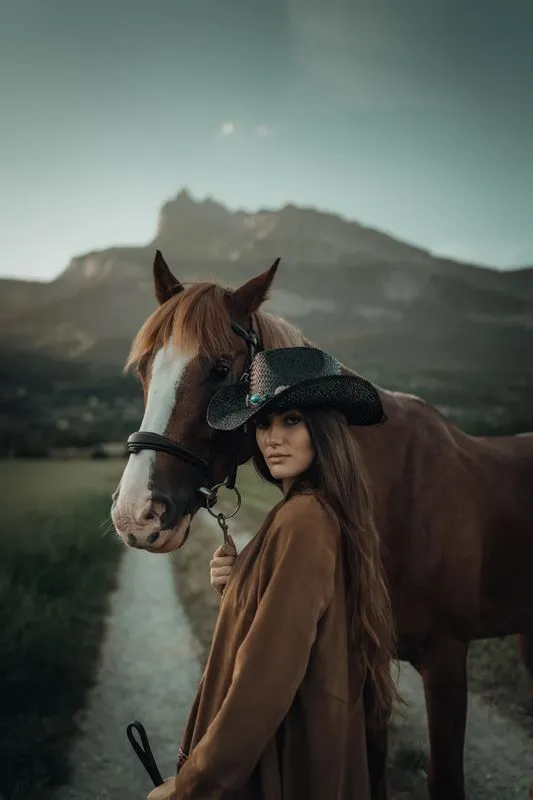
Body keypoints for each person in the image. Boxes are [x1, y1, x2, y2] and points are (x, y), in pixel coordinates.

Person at [148, 346, 397, 800]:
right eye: (262, 423)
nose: (272, 438)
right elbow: (303, 622)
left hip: (284, 759)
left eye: (292, 419)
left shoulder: (305, 518)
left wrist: (194, 783)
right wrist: (242, 583)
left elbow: (265, 679)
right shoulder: (312, 511)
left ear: (323, 428)